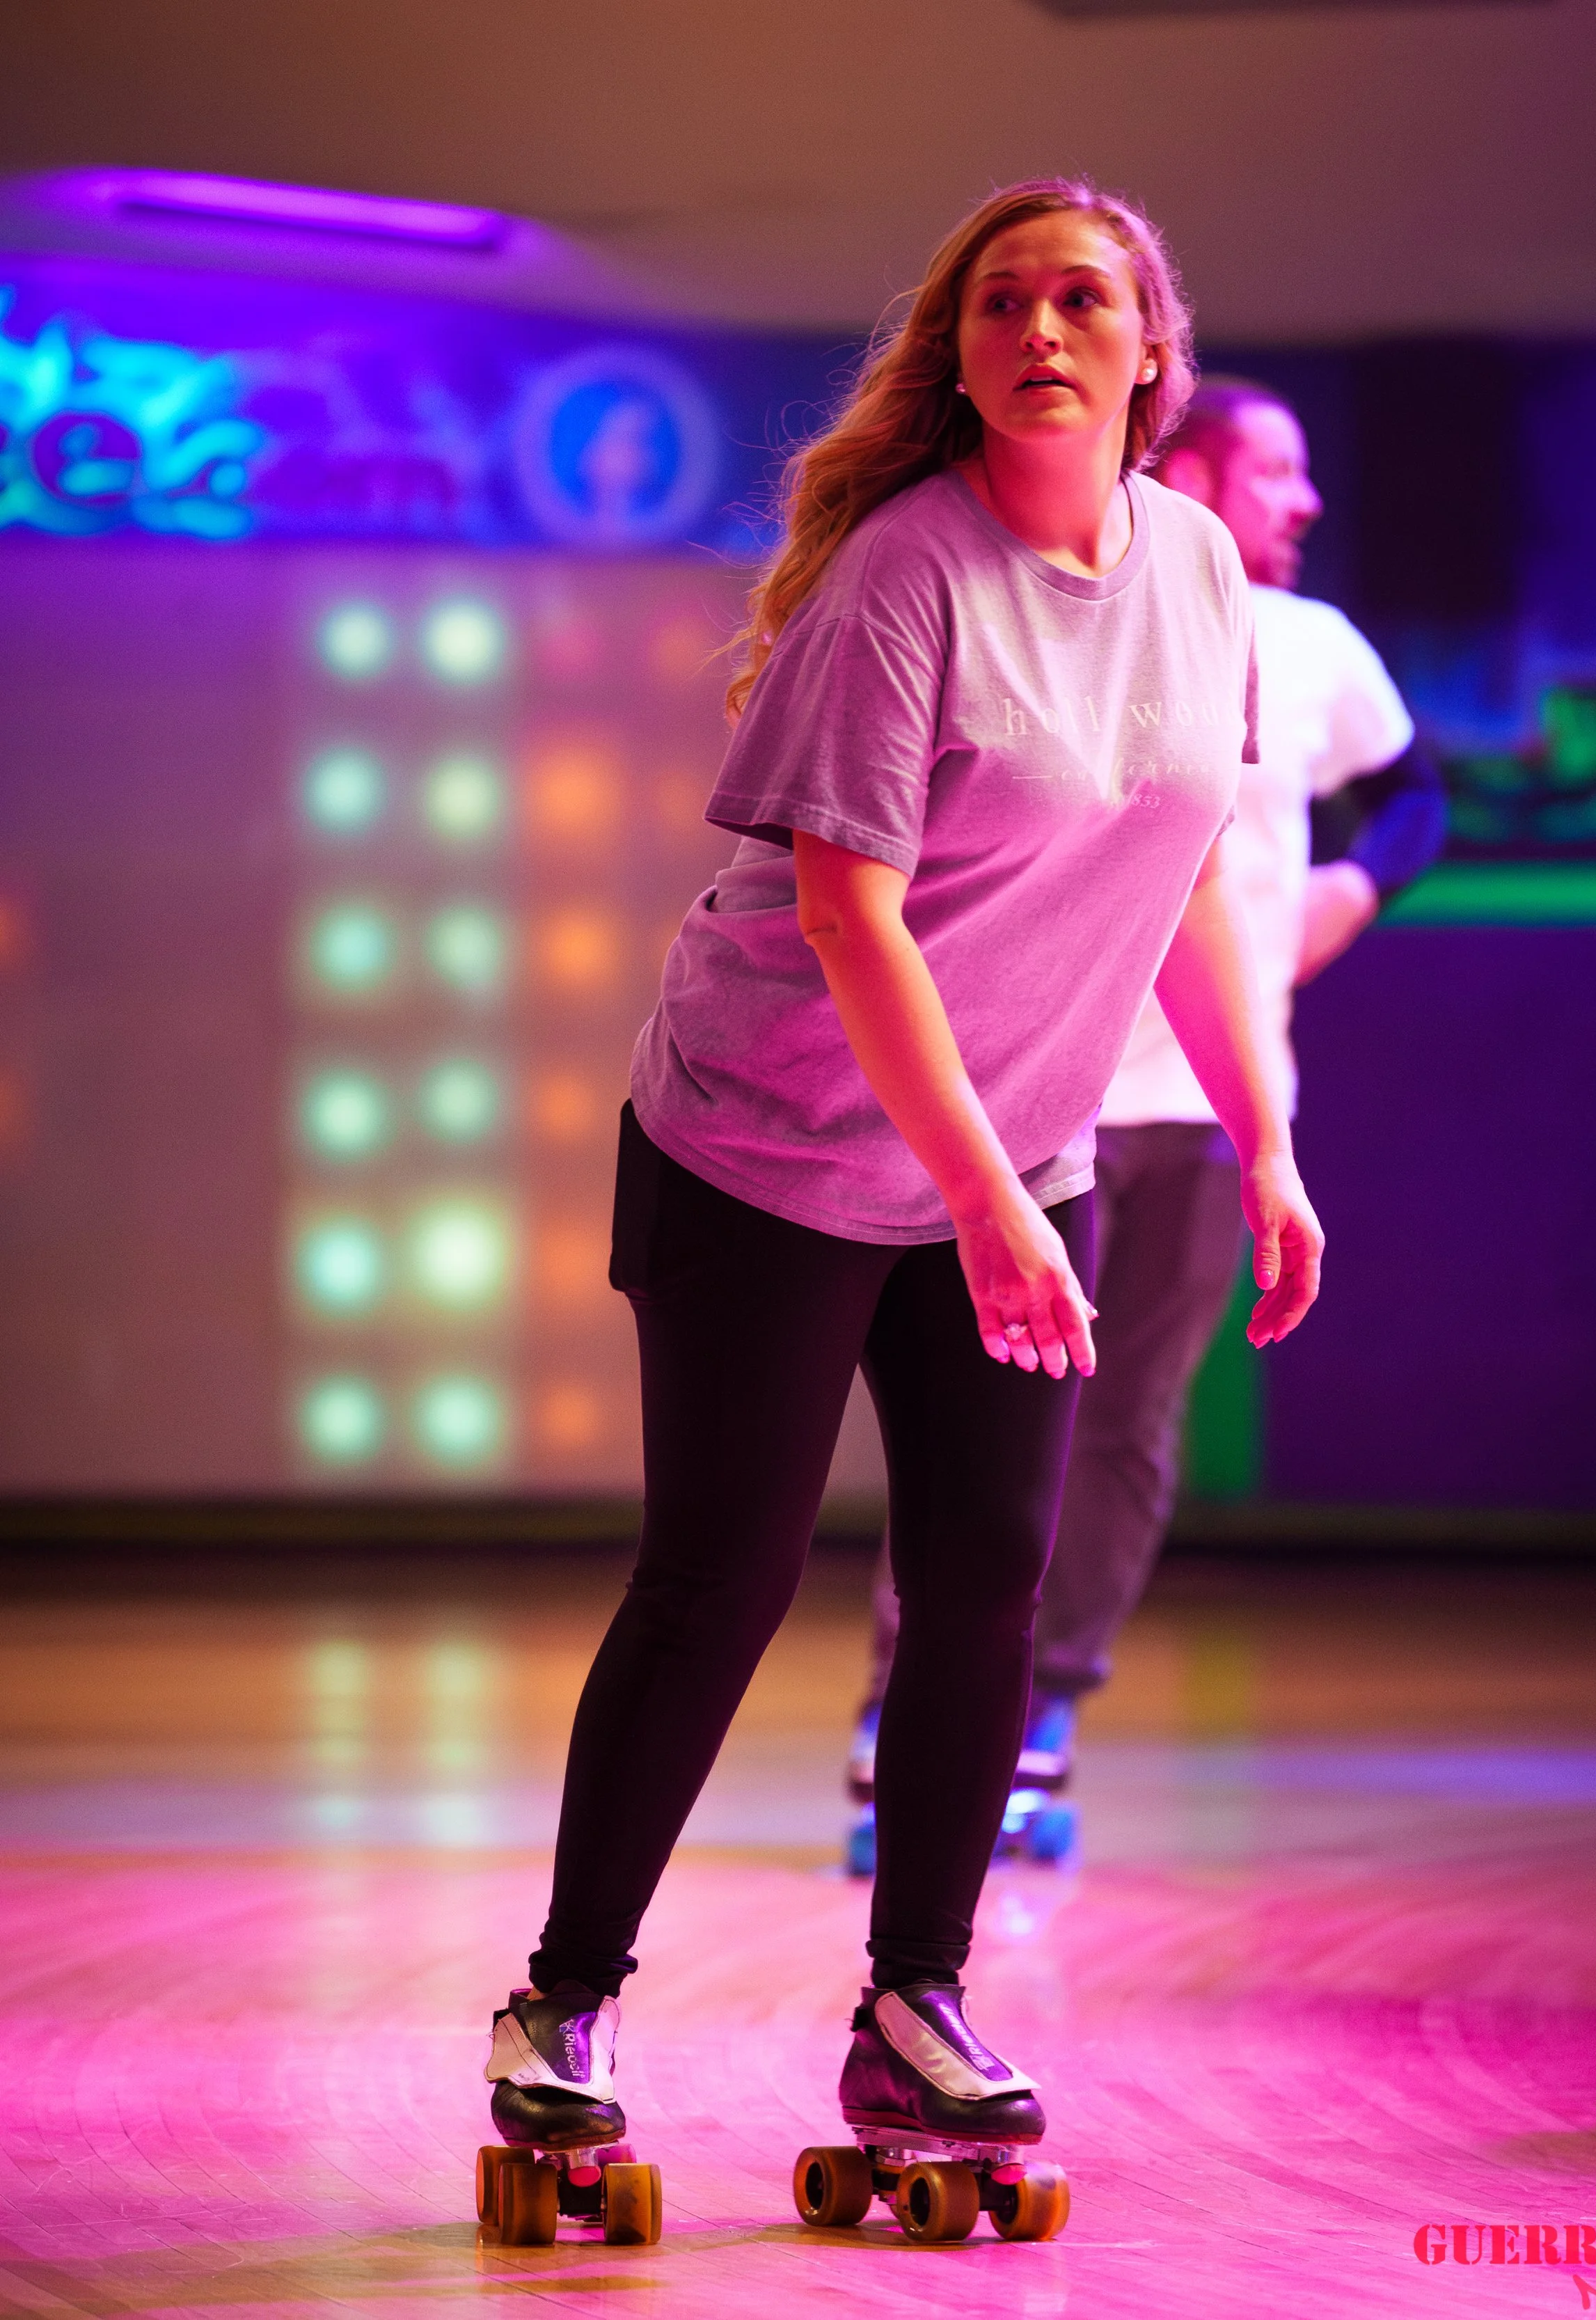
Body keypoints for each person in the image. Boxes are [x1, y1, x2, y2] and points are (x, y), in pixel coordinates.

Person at [483, 181, 1322, 2189]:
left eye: (1082, 299)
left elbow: (1189, 870)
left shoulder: (1198, 569)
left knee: (983, 1587)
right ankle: (563, 1996)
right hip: (764, 1140)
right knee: (726, 1575)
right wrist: (980, 1199)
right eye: (1003, 301)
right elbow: (853, 921)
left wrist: (1264, 1138)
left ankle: (910, 2005)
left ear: (1147, 355)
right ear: (958, 354)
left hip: (1004, 1157)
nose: (1041, 326)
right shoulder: (901, 577)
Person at [849, 376, 1444, 1847]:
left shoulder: (1303, 646)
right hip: (1027, 1086)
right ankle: (903, 1706)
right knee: (976, 1415)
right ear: (1180, 465)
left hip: (1201, 1102)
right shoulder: (1035, 606)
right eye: (1274, 473)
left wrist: (1350, 889)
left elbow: (1417, 793)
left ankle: (1041, 1708)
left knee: (1125, 1423)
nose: (1302, 503)